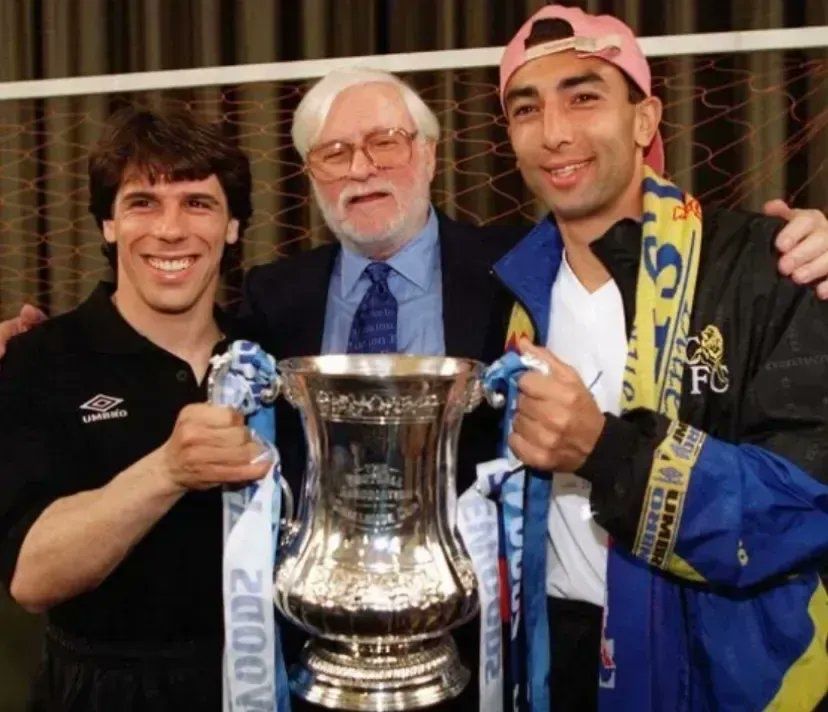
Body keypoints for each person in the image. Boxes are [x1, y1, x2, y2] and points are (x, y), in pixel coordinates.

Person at [491, 5, 828, 711]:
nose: (554, 132)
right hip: (553, 664)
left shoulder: (768, 268)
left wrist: (608, 452)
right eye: (527, 109)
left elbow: (804, 508)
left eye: (584, 97)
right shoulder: (505, 293)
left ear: (645, 120)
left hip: (726, 680)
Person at [0, 108, 271, 711]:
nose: (170, 230)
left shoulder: (270, 354)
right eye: (143, 202)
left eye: (198, 203)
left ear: (232, 226)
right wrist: (168, 470)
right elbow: (32, 578)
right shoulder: (38, 359)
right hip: (102, 691)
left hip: (265, 683)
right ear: (108, 224)